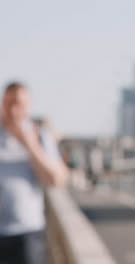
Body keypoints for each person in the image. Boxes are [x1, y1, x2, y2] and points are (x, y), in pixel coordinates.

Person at [0, 82, 68, 264]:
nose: (14, 110)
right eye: (9, 103)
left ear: (28, 106)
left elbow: (56, 180)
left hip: (27, 233)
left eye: (19, 104)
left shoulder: (39, 136)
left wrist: (30, 145)